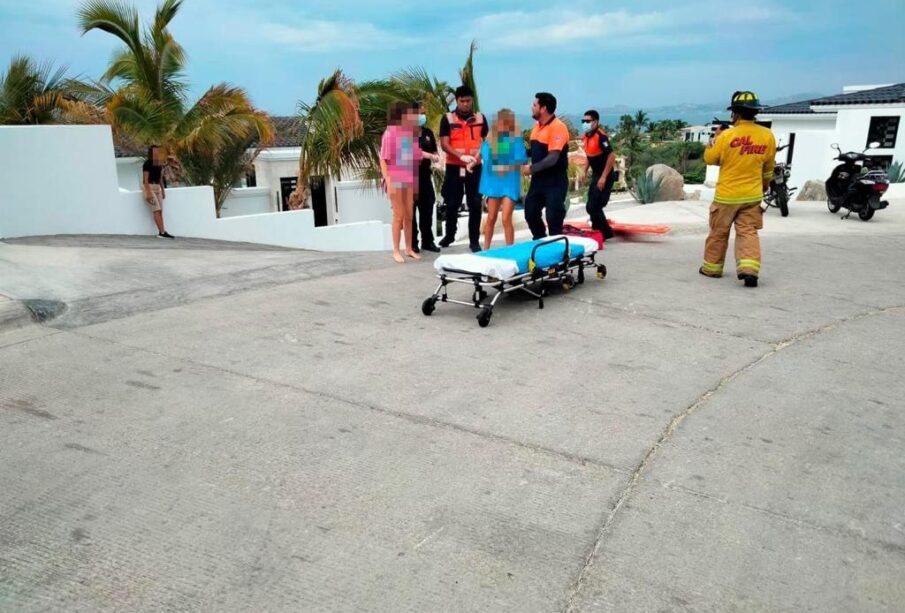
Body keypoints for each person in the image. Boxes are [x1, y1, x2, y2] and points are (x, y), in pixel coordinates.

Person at [700, 90, 776, 288]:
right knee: (748, 232)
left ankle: (712, 269)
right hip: (752, 195)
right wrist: (763, 187)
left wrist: (714, 139)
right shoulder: (767, 136)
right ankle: (749, 270)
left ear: (736, 114)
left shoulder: (727, 136)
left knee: (718, 232)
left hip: (727, 196)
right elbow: (768, 170)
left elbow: (710, 159)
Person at [438, 85, 488, 252]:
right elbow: (444, 144)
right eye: (462, 101)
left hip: (475, 167)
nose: (465, 104)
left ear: (471, 100)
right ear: (457, 101)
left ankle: (474, 240)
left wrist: (475, 160)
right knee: (452, 203)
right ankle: (450, 234)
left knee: (475, 203)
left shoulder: (480, 118)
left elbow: (486, 142)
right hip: (455, 166)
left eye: (468, 101)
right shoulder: (448, 119)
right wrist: (460, 157)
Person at [522, 92, 571, 239]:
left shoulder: (558, 127)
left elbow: (552, 158)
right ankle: (541, 241)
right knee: (530, 213)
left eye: (534, 105)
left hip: (555, 182)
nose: (532, 107)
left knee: (553, 218)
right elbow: (535, 151)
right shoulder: (537, 127)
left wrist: (531, 169)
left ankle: (558, 252)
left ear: (543, 108)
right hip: (538, 182)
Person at [379, 101, 423, 263]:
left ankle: (409, 248)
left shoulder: (410, 133)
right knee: (398, 215)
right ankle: (396, 250)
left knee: (409, 214)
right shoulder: (390, 133)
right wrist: (387, 178)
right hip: (394, 178)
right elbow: (383, 158)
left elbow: (416, 157)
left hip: (408, 178)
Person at [478, 109, 526, 249]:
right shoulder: (490, 139)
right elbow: (484, 155)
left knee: (506, 218)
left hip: (510, 183)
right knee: (491, 217)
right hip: (494, 183)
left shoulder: (516, 139)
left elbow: (520, 158)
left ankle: (510, 249)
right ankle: (486, 249)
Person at [581, 110, 616, 240]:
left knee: (594, 206)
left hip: (605, 175)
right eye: (583, 121)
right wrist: (584, 170)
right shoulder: (586, 136)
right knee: (591, 206)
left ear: (595, 122)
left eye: (588, 121)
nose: (585, 123)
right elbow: (589, 156)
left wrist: (603, 177)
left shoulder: (601, 137)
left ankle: (601, 232)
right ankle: (603, 232)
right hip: (596, 174)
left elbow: (611, 156)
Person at [411, 102, 441, 253]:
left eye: (423, 113)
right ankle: (413, 243)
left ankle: (427, 241)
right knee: (410, 211)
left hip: (425, 176)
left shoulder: (428, 133)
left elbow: (435, 152)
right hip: (410, 178)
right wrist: (427, 155)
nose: (422, 116)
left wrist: (435, 157)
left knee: (427, 208)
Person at [142, 145, 175, 239]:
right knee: (156, 209)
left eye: (157, 151)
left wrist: (163, 190)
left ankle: (163, 231)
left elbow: (160, 178)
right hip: (149, 187)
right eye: (154, 151)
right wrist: (148, 192)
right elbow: (145, 179)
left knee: (160, 210)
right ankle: (162, 232)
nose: (156, 153)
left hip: (157, 188)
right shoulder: (147, 163)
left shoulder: (158, 164)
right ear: (151, 153)